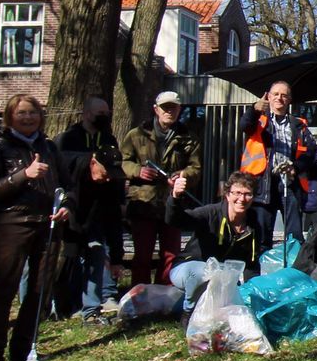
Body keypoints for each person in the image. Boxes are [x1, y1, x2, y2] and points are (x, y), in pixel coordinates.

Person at [0, 94, 71, 361]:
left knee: (39, 292)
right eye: (21, 113)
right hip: (13, 223)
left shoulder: (49, 147)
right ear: (10, 117)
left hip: (48, 225)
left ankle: (23, 350)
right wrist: (24, 175)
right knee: (5, 289)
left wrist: (67, 206)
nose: (28, 118)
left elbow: (68, 186)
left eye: (33, 113)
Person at [121, 90, 201, 287]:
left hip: (173, 204)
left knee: (170, 255)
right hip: (143, 203)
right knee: (142, 255)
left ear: (179, 109)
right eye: (165, 108)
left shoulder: (189, 138)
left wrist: (183, 175)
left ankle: (164, 296)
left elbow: (196, 168)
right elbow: (122, 162)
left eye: (173, 107)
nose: (169, 111)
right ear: (156, 110)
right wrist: (138, 171)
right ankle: (139, 294)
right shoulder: (136, 135)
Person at [57, 96, 124, 320]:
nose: (104, 117)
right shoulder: (68, 139)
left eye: (107, 113)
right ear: (86, 114)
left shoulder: (109, 139)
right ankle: (65, 302)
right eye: (100, 113)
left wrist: (117, 258)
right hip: (74, 206)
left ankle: (92, 305)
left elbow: (113, 187)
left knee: (97, 251)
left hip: (99, 207)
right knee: (71, 257)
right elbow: (62, 169)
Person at [240, 81, 316, 247]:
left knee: (295, 235)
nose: (279, 98)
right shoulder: (259, 120)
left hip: (289, 183)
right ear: (268, 96)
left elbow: (311, 151)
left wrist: (295, 167)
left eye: (284, 95)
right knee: (261, 235)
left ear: (289, 99)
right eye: (275, 94)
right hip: (263, 184)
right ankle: (261, 261)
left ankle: (294, 261)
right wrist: (254, 109)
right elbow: (244, 125)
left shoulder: (298, 125)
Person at [167, 169, 263, 271]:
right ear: (227, 195)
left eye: (248, 194)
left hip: (222, 272)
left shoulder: (253, 225)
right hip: (189, 266)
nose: (242, 199)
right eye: (237, 193)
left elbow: (251, 265)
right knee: (204, 273)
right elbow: (176, 220)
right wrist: (175, 197)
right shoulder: (210, 213)